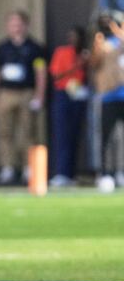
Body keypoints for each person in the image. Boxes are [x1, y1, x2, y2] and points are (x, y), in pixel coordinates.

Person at [0, 10, 47, 185]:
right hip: (6, 92)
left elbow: (40, 71)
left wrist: (39, 95)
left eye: (18, 24)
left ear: (25, 25)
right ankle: (7, 167)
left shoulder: (35, 47)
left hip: (26, 91)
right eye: (12, 24)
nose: (15, 28)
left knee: (28, 131)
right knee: (5, 131)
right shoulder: (2, 47)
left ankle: (29, 167)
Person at [48, 26, 89, 187]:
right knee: (62, 134)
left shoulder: (86, 53)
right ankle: (62, 173)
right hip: (63, 94)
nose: (73, 39)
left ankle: (71, 173)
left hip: (79, 94)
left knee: (75, 134)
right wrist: (78, 65)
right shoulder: (62, 52)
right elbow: (57, 75)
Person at [89, 15, 124, 192]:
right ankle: (106, 173)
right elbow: (94, 63)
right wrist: (97, 44)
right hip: (110, 95)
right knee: (108, 137)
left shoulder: (120, 40)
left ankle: (121, 171)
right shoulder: (103, 43)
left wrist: (120, 35)